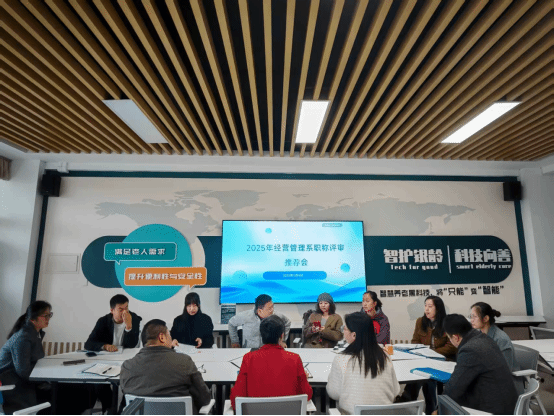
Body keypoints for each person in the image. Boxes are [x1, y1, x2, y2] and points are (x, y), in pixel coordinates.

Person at [120, 319, 212, 413]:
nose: (171, 339)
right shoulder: (184, 362)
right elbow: (205, 398)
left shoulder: (127, 367)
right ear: (162, 337)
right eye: (169, 335)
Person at [230, 315, 312, 411]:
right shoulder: (294, 359)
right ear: (282, 336)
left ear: (261, 335)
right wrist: (303, 378)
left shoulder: (249, 358)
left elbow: (236, 400)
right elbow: (307, 394)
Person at [442, 314, 519, 414]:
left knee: (449, 401)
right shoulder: (484, 338)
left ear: (456, 337)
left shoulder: (469, 349)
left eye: (449, 338)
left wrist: (437, 408)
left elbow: (454, 389)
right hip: (508, 403)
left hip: (494, 409)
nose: (450, 341)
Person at [327, 313, 400, 415]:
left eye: (345, 328)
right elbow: (395, 391)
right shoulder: (385, 357)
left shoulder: (341, 359)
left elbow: (333, 393)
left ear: (354, 335)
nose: (343, 331)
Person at [399, 296, 456, 415]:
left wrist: (432, 353)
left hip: (443, 360)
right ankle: (408, 402)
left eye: (430, 306)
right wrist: (423, 354)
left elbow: (451, 346)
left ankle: (430, 407)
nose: (426, 309)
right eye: (425, 306)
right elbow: (415, 341)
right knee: (417, 373)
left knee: (428, 378)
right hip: (424, 359)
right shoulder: (420, 321)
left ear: (438, 309)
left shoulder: (447, 323)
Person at [0, 301, 51, 414]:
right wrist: (45, 379)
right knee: (55, 395)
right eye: (45, 315)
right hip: (11, 382)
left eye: (49, 315)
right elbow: (23, 371)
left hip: (20, 379)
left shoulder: (34, 334)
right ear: (33, 318)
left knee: (57, 392)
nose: (48, 319)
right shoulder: (23, 337)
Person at [469, 302, 524, 394]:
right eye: (471, 316)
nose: (471, 320)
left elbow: (504, 371)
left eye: (474, 317)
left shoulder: (500, 339)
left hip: (505, 386)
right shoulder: (480, 336)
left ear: (486, 318)